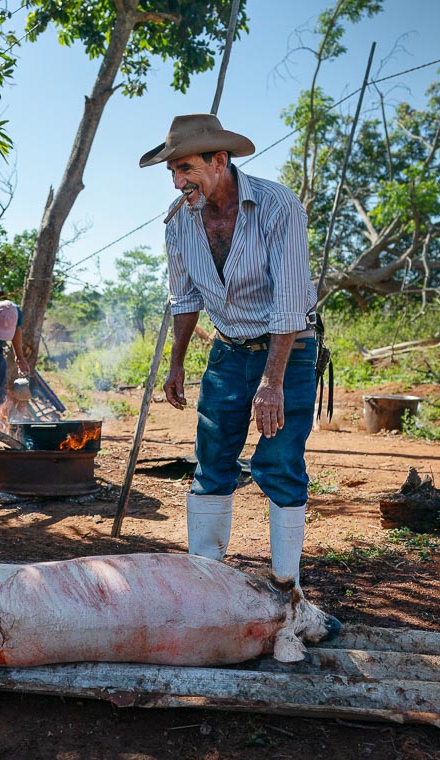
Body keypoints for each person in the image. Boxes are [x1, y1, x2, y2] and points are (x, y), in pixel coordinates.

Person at [140, 114, 319, 589]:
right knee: (213, 460)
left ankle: (287, 588)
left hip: (288, 351)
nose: (179, 182)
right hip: (227, 352)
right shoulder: (180, 222)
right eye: (172, 173)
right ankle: (208, 586)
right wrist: (177, 363)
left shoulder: (277, 205)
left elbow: (290, 302)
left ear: (219, 161)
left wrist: (272, 382)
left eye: (186, 169)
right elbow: (185, 298)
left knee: (279, 462)